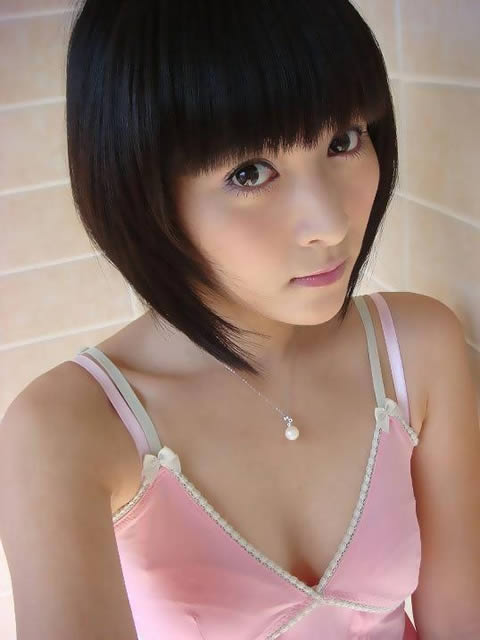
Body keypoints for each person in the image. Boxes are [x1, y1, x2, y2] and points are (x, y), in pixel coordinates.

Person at [1, 1, 479, 639]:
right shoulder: (66, 431)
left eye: (343, 141)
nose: (330, 223)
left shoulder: (417, 349)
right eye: (250, 173)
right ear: (143, 194)